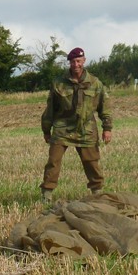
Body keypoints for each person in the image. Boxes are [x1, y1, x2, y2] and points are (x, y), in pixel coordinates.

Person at [40, 46, 112, 203]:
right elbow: (50, 108)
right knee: (53, 162)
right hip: (62, 128)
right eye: (73, 62)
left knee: (92, 162)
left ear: (84, 61)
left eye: (79, 61)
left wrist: (107, 128)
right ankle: (46, 195)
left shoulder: (95, 83)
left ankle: (97, 193)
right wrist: (46, 129)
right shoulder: (59, 83)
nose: (76, 65)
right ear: (69, 63)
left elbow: (104, 108)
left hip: (86, 129)